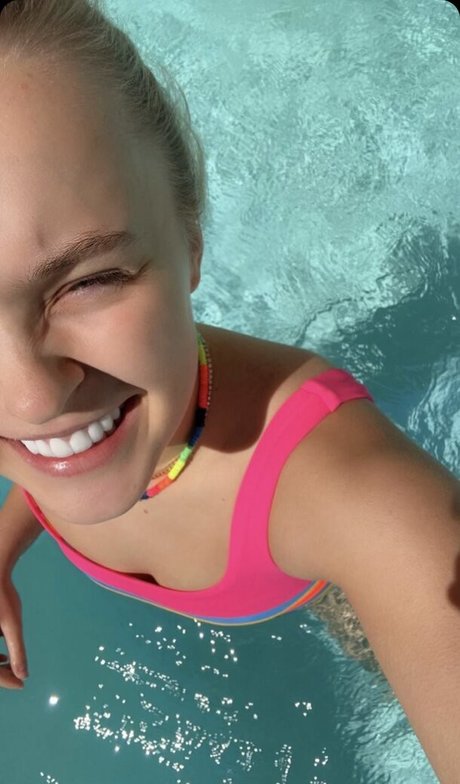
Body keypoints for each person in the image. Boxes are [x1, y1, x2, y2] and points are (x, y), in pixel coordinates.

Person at [0, 2, 458, 780]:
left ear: (192, 241)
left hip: (315, 576)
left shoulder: (365, 509)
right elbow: (47, 450)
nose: (33, 399)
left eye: (91, 280)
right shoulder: (71, 424)